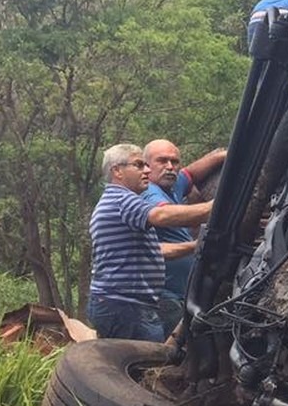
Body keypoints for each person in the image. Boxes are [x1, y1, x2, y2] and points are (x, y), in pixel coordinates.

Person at [86, 143, 213, 341]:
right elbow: (161, 215)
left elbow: (157, 250)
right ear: (117, 171)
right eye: (138, 165)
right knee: (145, 365)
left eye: (146, 165)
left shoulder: (119, 202)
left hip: (125, 305)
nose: (146, 170)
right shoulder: (122, 199)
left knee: (147, 361)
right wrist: (216, 207)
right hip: (125, 306)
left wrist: (196, 245)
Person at [142, 139, 227, 335]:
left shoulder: (172, 185)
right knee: (170, 354)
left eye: (174, 161)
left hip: (182, 294)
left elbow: (190, 173)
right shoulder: (148, 192)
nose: (170, 167)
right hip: (164, 297)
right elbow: (167, 215)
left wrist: (223, 155)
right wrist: (219, 205)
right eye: (162, 161)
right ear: (146, 166)